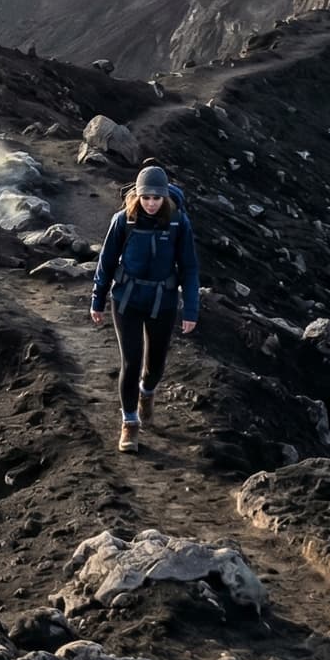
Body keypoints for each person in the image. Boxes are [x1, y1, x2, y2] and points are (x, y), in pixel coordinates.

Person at [90, 165, 199, 452]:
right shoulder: (123, 220)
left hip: (163, 302)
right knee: (131, 361)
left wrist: (191, 310)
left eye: (156, 198)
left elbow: (189, 268)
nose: (151, 203)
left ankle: (146, 392)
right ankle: (130, 423)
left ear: (164, 197)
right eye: (146, 197)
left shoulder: (178, 222)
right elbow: (107, 262)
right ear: (138, 195)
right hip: (126, 300)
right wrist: (97, 299)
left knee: (155, 364)